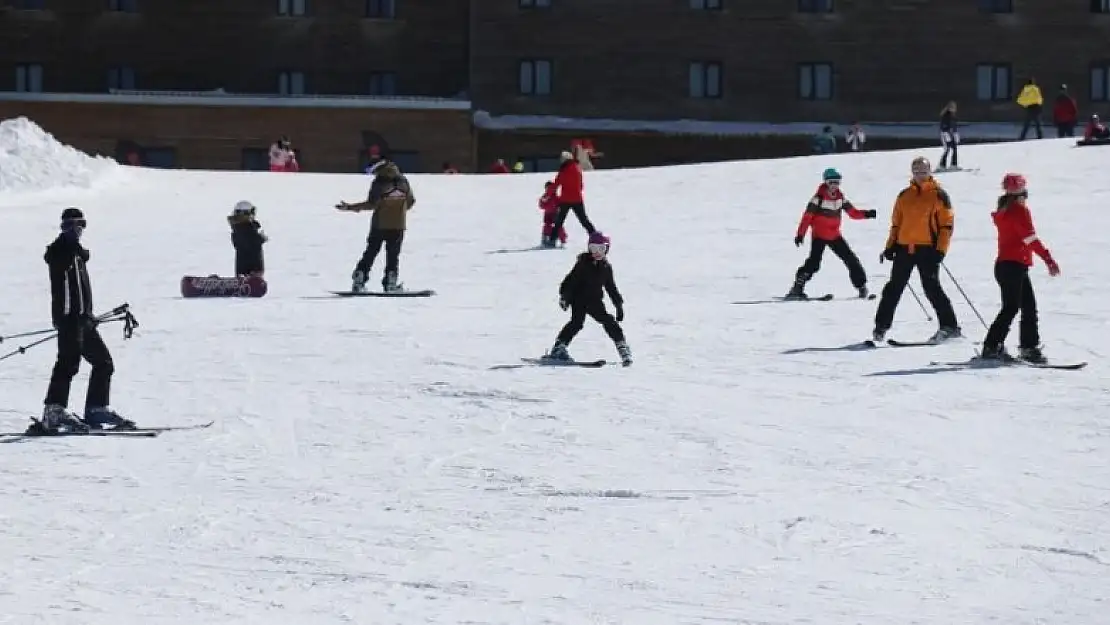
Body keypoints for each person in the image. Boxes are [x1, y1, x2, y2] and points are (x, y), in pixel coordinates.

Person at [38, 208, 135, 433]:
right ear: (63, 228)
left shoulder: (78, 254)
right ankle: (54, 410)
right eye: (70, 225)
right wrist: (69, 317)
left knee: (104, 363)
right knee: (68, 363)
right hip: (70, 320)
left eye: (81, 224)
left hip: (84, 319)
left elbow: (81, 291)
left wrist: (89, 314)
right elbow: (59, 268)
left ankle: (96, 408)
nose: (76, 229)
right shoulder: (60, 252)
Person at [872, 156, 961, 343]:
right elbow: (896, 224)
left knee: (932, 288)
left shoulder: (939, 195)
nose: (920, 174)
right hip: (904, 249)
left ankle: (950, 325)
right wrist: (890, 246)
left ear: (930, 172)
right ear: (912, 172)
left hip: (927, 250)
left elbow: (946, 225)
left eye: (923, 171)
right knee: (893, 288)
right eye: (917, 171)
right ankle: (880, 327)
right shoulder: (904, 196)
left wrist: (941, 250)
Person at [979, 174, 1060, 363]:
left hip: (1009, 265)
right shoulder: (1018, 210)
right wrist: (1048, 259)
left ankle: (1024, 347)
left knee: (1026, 307)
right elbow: (1030, 239)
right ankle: (995, 346)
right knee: (1013, 307)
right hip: (1012, 265)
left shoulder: (1006, 209)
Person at [786, 168, 876, 300]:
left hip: (834, 235)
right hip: (819, 236)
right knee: (814, 263)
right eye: (831, 182)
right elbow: (807, 217)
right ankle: (797, 288)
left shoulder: (840, 198)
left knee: (851, 260)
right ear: (826, 182)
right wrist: (800, 234)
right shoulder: (818, 198)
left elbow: (852, 213)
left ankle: (861, 287)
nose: (834, 185)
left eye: (837, 182)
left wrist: (867, 214)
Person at [546, 232, 632, 367]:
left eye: (601, 249)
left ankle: (622, 347)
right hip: (578, 300)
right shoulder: (582, 264)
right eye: (593, 248)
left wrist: (618, 305)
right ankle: (559, 348)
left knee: (608, 321)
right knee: (576, 323)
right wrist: (565, 297)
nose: (597, 252)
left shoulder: (606, 268)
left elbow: (611, 288)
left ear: (607, 249)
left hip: (595, 302)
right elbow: (570, 281)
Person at [336, 158, 415, 293]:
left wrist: (350, 207)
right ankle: (391, 282)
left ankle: (360, 278)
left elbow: (371, 203)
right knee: (393, 256)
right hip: (398, 225)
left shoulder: (380, 183)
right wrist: (397, 209)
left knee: (371, 252)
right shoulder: (403, 181)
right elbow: (411, 201)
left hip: (379, 224)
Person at [545, 150, 596, 248]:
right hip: (577, 199)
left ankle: (552, 241)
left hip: (565, 200)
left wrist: (547, 195)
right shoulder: (578, 169)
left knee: (559, 221)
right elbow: (581, 185)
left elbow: (555, 185)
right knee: (584, 220)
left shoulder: (563, 171)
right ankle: (595, 237)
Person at [228, 200, 267, 277]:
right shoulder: (244, 229)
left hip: (247, 272)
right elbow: (249, 244)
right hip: (249, 271)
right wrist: (260, 238)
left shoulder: (241, 228)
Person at [538, 180, 567, 247]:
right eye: (547, 189)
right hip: (548, 214)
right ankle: (545, 240)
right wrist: (543, 201)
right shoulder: (545, 197)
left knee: (558, 227)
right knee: (547, 226)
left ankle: (562, 240)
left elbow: (561, 204)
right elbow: (541, 205)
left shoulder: (555, 197)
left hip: (555, 214)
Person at [938, 101, 959, 170]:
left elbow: (954, 126)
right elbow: (943, 126)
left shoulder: (953, 115)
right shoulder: (945, 115)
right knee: (947, 149)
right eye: (952, 107)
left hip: (951, 134)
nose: (954, 108)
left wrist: (956, 134)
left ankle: (953, 165)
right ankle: (942, 165)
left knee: (954, 148)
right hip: (945, 134)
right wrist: (946, 133)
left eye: (954, 107)